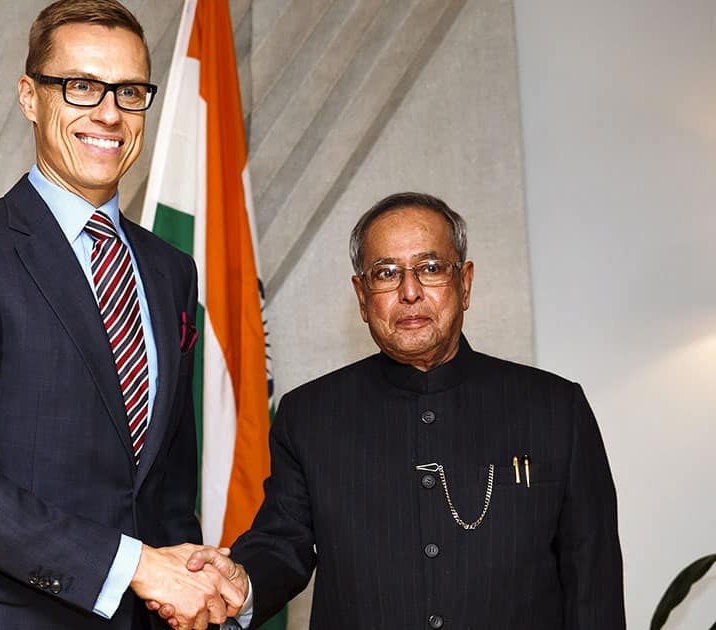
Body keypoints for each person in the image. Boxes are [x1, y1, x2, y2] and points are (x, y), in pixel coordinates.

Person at [0, 2, 241, 628]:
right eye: (81, 86)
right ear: (30, 96)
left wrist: (188, 579)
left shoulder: (170, 271)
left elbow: (165, 490)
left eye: (129, 92)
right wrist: (134, 567)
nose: (109, 113)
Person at [175, 192, 625, 629]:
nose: (409, 292)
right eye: (386, 273)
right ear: (362, 296)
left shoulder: (555, 409)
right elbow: (282, 542)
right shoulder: (309, 416)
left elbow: (593, 583)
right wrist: (244, 580)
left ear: (464, 284)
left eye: (431, 269)